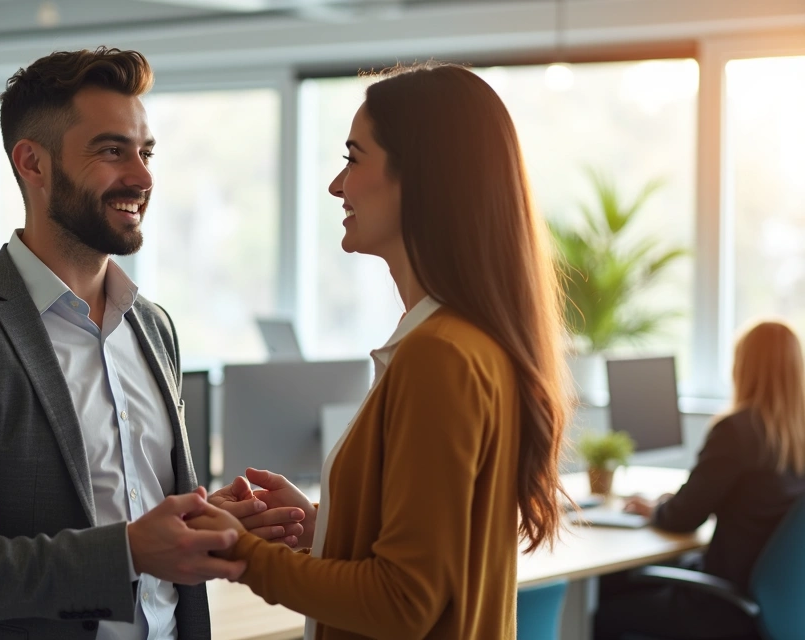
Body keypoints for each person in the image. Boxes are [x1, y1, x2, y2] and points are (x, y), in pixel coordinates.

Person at [0, 47, 299, 640]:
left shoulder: (153, 326)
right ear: (34, 164)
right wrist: (127, 551)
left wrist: (207, 522)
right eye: (111, 151)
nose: (143, 177)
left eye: (146, 152)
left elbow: (144, 514)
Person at [190, 61, 571, 640]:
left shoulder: (439, 357)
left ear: (418, 176)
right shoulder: (470, 343)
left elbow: (402, 602)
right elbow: (431, 558)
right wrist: (322, 527)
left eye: (352, 158)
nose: (336, 185)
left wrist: (237, 549)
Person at [594, 320, 805, 639]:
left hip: (723, 607)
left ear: (742, 368)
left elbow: (683, 518)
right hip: (771, 606)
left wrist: (655, 509)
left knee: (602, 608)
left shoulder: (738, 430)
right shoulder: (796, 433)